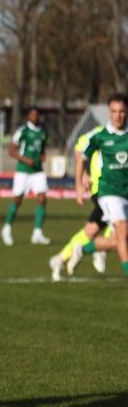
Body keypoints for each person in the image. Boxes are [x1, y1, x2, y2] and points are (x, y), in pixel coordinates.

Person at [67, 92, 128, 277]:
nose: (118, 115)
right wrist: (79, 185)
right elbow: (81, 157)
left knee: (118, 239)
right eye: (114, 111)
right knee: (122, 230)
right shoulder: (100, 136)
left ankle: (83, 249)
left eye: (122, 111)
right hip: (108, 191)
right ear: (109, 112)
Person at [48, 124, 109, 281]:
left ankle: (60, 259)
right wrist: (85, 174)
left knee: (90, 231)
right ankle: (99, 250)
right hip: (103, 188)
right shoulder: (101, 132)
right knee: (120, 226)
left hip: (121, 190)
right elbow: (79, 149)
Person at [1, 107, 50, 246]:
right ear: (28, 116)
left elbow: (42, 149)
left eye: (37, 115)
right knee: (17, 200)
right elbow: (11, 150)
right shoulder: (22, 131)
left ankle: (37, 233)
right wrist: (24, 159)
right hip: (23, 171)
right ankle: (7, 228)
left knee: (42, 198)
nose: (35, 117)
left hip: (38, 171)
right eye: (32, 115)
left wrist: (43, 156)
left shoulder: (43, 132)